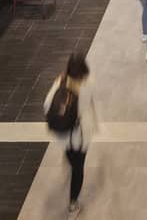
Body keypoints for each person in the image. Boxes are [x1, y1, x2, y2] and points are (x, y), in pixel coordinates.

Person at [44, 52, 98, 217]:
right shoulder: (88, 83)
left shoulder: (59, 82)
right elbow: (88, 107)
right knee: (78, 168)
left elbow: (47, 106)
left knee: (70, 155)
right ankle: (73, 205)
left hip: (63, 135)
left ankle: (68, 161)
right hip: (79, 136)